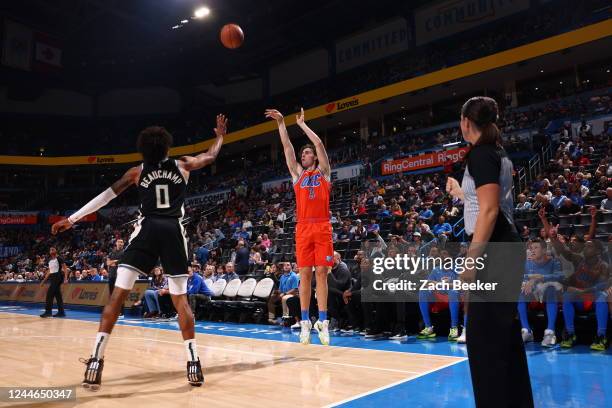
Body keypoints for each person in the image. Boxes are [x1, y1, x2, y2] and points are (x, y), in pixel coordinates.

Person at [51, 114, 227, 389]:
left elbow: (105, 196)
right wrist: (220, 137)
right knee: (181, 301)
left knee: (117, 297)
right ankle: (193, 363)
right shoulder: (183, 165)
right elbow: (209, 157)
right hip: (172, 231)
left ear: (144, 149)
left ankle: (96, 361)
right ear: (167, 148)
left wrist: (71, 219)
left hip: (146, 230)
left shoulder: (137, 172)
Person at [445, 97, 533, 407]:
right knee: (504, 340)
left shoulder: (480, 154)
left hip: (493, 251)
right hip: (504, 247)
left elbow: (490, 210)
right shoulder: (496, 151)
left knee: (483, 343)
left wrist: (472, 260)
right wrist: (459, 191)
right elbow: (483, 204)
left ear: (466, 122)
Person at [266, 107, 333, 345]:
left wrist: (303, 126)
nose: (303, 156)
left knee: (322, 274)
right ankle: (305, 321)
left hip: (322, 226)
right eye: (303, 153)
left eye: (307, 153)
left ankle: (323, 322)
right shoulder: (298, 175)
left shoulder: (324, 173)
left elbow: (320, 146)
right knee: (304, 274)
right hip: (303, 227)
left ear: (313, 157)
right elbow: (287, 148)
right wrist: (282, 123)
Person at [517, 238, 563, 347]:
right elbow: (521, 276)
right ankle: (526, 330)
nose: (532, 250)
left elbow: (560, 276)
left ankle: (550, 332)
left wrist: (541, 277)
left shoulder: (554, 261)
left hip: (550, 294)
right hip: (533, 295)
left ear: (544, 250)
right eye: (531, 248)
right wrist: (527, 280)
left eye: (536, 247)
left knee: (551, 289)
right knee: (519, 291)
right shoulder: (527, 263)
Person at [39, 247, 69, 318]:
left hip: (58, 276)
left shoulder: (59, 258)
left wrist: (65, 278)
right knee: (58, 295)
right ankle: (61, 312)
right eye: (50, 250)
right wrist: (43, 281)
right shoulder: (49, 260)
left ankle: (48, 312)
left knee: (49, 294)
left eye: (53, 249)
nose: (51, 250)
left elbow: (65, 268)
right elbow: (49, 271)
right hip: (52, 277)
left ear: (56, 251)